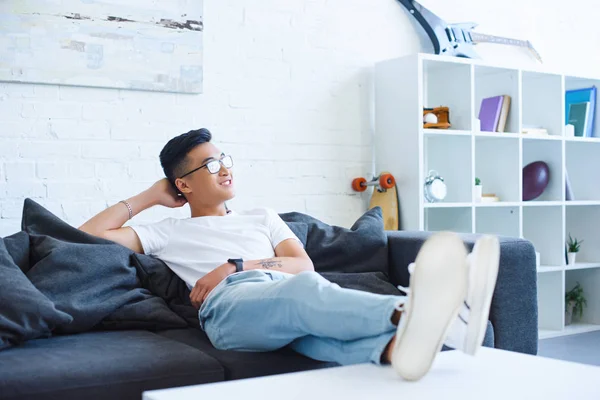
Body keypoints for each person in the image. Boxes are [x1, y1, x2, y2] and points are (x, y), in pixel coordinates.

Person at [79, 128, 500, 381]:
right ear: (182, 184)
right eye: (208, 166)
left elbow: (302, 264)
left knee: (317, 336)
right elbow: (85, 235)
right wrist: (152, 195)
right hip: (228, 308)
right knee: (305, 294)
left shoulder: (263, 218)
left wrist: (237, 264)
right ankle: (425, 310)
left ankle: (404, 346)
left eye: (223, 159)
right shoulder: (168, 232)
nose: (224, 168)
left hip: (277, 290)